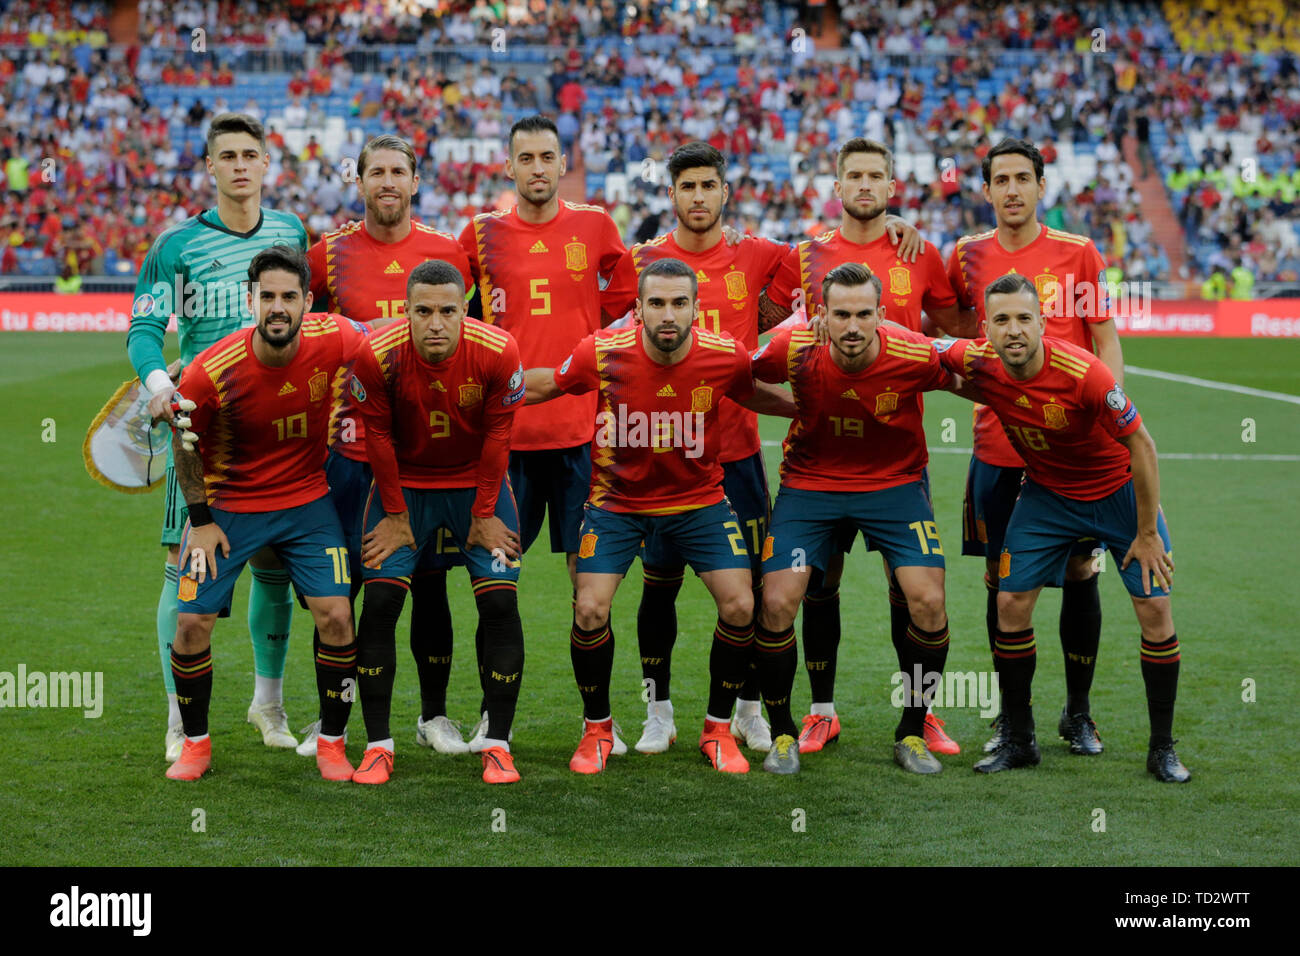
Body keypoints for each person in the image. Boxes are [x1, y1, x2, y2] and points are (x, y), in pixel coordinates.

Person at [524, 257, 796, 775]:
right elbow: (550, 384)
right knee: (589, 609)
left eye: (678, 303)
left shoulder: (724, 357)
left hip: (699, 504)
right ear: (638, 309)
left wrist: (808, 409)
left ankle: (718, 730)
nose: (667, 314)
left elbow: (752, 392)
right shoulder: (601, 352)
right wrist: (493, 388)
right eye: (656, 303)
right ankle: (597, 730)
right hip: (616, 507)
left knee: (742, 605)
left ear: (696, 308)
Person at [758, 137, 975, 758]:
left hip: (896, 460)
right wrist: (795, 401)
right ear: (836, 185)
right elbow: (758, 330)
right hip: (817, 463)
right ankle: (819, 711)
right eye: (852, 175)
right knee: (814, 588)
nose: (863, 185)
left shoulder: (919, 252)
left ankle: (920, 716)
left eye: (875, 176)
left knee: (913, 591)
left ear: (891, 186)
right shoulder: (803, 255)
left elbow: (957, 333)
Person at [936, 274, 1188, 782]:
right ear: (985, 328)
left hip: (1116, 494)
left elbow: (1143, 445)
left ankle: (1162, 748)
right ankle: (1020, 738)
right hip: (1048, 495)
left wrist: (1145, 534)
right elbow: (923, 350)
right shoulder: (978, 359)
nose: (1013, 330)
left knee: (1155, 609)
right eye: (1002, 320)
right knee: (1009, 603)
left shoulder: (1085, 374)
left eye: (1024, 319)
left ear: (1043, 323)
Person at [131, 113, 310, 762]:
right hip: (202, 434)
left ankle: (269, 704)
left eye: (250, 154)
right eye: (226, 155)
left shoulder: (292, 233)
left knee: (276, 569)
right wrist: (158, 379)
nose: (239, 164)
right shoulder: (176, 245)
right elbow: (144, 329)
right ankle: (181, 719)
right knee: (187, 569)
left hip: (282, 432)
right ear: (209, 167)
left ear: (267, 165)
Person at [600, 142, 788, 756]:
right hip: (660, 458)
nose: (699, 197)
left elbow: (827, 262)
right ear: (672, 194)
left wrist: (890, 224)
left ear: (725, 191)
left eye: (709, 185)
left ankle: (748, 707)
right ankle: (658, 708)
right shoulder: (641, 260)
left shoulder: (758, 252)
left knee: (751, 589)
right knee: (659, 585)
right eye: (688, 187)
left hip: (734, 454)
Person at [458, 114, 637, 752]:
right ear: (508, 167)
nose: (537, 167)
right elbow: (454, 316)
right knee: (495, 586)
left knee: (590, 591)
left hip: (584, 440)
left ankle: (599, 721)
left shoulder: (596, 227)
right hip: (505, 444)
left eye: (547, 157)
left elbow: (628, 304)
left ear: (564, 165)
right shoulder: (477, 236)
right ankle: (491, 715)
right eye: (524, 157)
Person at [298, 134, 477, 759]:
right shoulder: (328, 255)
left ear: (416, 181)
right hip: (348, 452)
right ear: (360, 181)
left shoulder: (446, 252)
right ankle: (334, 724)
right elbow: (301, 328)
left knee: (430, 584)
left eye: (398, 171)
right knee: (341, 588)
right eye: (376, 172)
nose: (387, 183)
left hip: (424, 455)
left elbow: (468, 339)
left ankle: (435, 716)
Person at [158, 245, 366, 782]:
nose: (278, 307)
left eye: (288, 297)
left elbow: (384, 334)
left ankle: (333, 744)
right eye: (267, 296)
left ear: (307, 302)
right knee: (190, 624)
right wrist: (201, 521)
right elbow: (185, 446)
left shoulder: (335, 337)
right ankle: (196, 745)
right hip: (229, 507)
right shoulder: (212, 372)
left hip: (307, 502)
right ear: (251, 300)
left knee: (338, 617)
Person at [946, 137, 1124, 756]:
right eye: (1002, 179)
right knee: (1004, 585)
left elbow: (1105, 339)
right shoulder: (966, 255)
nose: (1014, 189)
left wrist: (1107, 418)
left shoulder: (1078, 254)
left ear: (1041, 186)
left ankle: (1078, 713)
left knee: (1081, 570)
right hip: (1000, 447)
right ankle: (1010, 719)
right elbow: (955, 334)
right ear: (987, 189)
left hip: (1072, 451)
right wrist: (893, 225)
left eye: (1025, 177)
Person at [350, 260, 527, 786]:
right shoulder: (376, 355)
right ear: (404, 311)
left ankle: (498, 745)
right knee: (380, 602)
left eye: (448, 311)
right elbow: (376, 440)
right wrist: (398, 517)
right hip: (403, 487)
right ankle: (379, 746)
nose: (435, 323)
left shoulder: (499, 351)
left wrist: (484, 515)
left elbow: (499, 437)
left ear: (463, 311)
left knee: (499, 601)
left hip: (478, 485)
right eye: (422, 311)